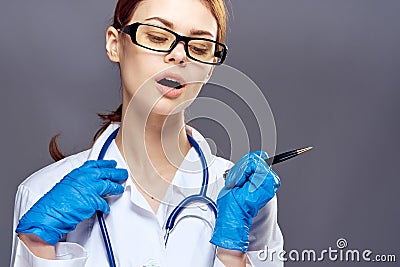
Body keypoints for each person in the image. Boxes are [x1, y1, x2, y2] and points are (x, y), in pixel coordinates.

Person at [11, 0, 283, 266]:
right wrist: (37, 247)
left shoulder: (245, 197)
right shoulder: (41, 193)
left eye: (199, 48)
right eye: (156, 36)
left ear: (210, 67)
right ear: (114, 44)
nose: (179, 55)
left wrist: (231, 258)